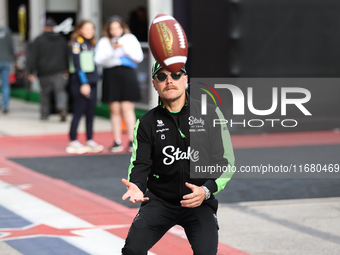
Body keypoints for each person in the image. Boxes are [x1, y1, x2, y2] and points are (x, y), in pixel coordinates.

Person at [121, 61, 235, 254]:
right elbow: (140, 164)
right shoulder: (146, 123)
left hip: (199, 201)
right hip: (160, 201)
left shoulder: (210, 114)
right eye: (162, 77)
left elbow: (226, 163)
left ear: (185, 79)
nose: (169, 81)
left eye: (175, 75)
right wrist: (137, 186)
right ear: (154, 83)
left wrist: (206, 191)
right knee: (132, 251)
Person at [94, 16, 143, 153]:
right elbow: (98, 60)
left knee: (127, 109)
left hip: (127, 74)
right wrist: (112, 50)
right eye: (112, 29)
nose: (115, 31)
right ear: (108, 30)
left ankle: (132, 141)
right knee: (114, 110)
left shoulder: (130, 39)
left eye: (117, 28)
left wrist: (124, 48)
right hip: (111, 74)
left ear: (122, 28)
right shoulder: (104, 41)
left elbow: (138, 57)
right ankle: (117, 141)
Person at [66, 20, 104, 154]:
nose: (89, 31)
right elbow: (78, 66)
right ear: (79, 29)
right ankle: (73, 141)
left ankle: (89, 140)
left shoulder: (90, 44)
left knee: (90, 113)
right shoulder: (77, 44)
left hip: (92, 83)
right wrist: (84, 83)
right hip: (81, 83)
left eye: (92, 29)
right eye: (86, 28)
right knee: (79, 111)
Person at [28, 18, 69, 121]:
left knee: (45, 93)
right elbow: (67, 55)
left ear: (45, 27)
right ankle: (62, 108)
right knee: (60, 91)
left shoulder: (39, 40)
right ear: (54, 27)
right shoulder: (61, 39)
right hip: (59, 71)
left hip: (43, 71)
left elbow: (33, 56)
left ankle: (44, 114)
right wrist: (67, 68)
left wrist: (31, 71)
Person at [0, 26, 16, 114]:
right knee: (5, 84)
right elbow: (12, 47)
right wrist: (15, 59)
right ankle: (5, 106)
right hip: (6, 61)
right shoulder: (7, 31)